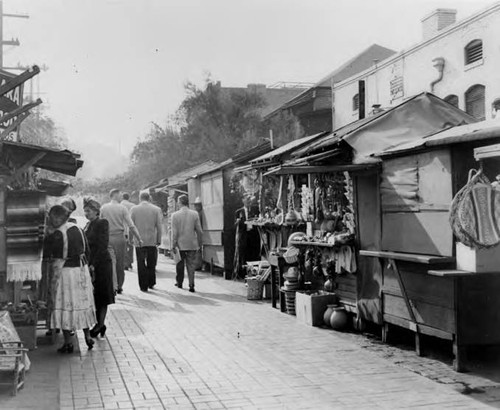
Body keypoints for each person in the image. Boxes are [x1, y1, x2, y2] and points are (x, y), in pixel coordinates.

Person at [45, 205, 96, 353]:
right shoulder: (77, 228)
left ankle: (68, 342)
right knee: (82, 302)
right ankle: (87, 336)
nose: (52, 220)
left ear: (59, 217)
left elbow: (49, 253)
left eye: (53, 218)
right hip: (82, 271)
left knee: (65, 304)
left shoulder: (57, 234)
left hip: (66, 273)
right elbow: (87, 250)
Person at [83, 198, 115, 338]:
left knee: (102, 295)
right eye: (85, 211)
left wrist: (93, 264)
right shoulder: (88, 224)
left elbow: (102, 245)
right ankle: (99, 323)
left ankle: (100, 324)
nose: (86, 213)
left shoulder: (102, 223)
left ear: (96, 211)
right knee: (95, 296)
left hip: (101, 264)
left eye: (88, 211)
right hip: (91, 264)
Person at [101, 189, 142, 294]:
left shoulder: (104, 208)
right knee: (120, 263)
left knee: (109, 262)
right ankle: (119, 286)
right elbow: (131, 225)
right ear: (114, 195)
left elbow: (100, 224)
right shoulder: (122, 208)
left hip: (107, 239)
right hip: (119, 238)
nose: (121, 197)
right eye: (119, 195)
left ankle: (111, 285)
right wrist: (138, 238)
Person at [130, 192, 163, 292]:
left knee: (140, 262)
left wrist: (130, 238)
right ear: (149, 198)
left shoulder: (134, 209)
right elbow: (159, 226)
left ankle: (143, 286)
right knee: (151, 262)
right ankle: (151, 282)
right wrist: (158, 239)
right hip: (151, 240)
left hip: (139, 240)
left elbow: (131, 226)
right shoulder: (156, 209)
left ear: (140, 198)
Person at [171, 195, 203, 292]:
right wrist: (199, 243)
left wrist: (173, 244)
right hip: (192, 244)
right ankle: (191, 285)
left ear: (179, 202)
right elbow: (199, 231)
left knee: (179, 264)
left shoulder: (175, 215)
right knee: (191, 265)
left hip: (180, 244)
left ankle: (179, 283)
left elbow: (174, 232)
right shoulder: (195, 214)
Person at [233, 195, 260, 279]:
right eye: (246, 200)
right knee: (243, 255)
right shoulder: (239, 212)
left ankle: (252, 274)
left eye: (249, 200)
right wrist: (238, 222)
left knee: (252, 254)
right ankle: (242, 274)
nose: (248, 201)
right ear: (243, 200)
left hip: (252, 235)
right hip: (243, 236)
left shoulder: (255, 210)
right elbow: (235, 225)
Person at [120, 192, 135, 270]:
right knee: (131, 245)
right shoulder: (133, 206)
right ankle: (129, 262)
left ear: (122, 198)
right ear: (129, 198)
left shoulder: (119, 206)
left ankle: (125, 262)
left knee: (123, 246)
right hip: (131, 228)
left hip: (121, 228)